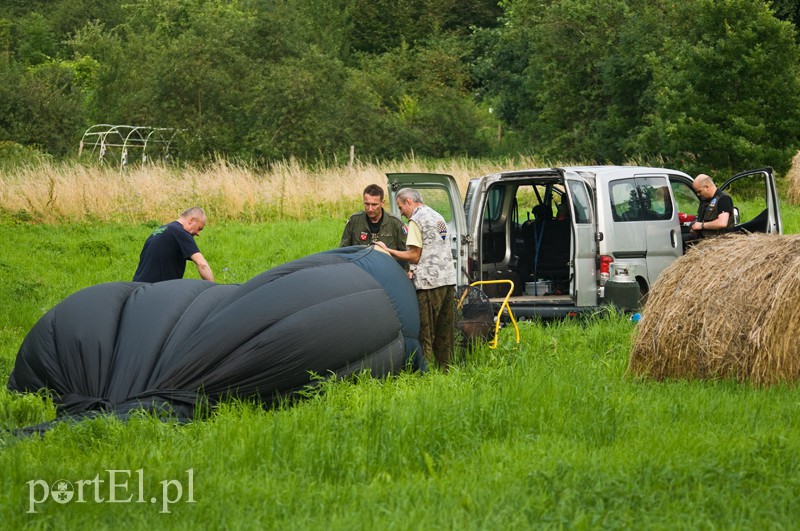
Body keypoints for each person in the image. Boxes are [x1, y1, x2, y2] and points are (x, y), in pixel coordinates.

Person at [375, 188, 457, 368]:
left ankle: (424, 371)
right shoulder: (437, 216)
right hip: (448, 280)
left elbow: (414, 255)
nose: (402, 214)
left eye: (401, 207)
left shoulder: (416, 220)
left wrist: (387, 251)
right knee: (445, 330)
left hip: (429, 283)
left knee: (425, 332)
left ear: (408, 202)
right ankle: (446, 369)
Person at [133, 206, 214, 283]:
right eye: (199, 228)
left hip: (138, 288)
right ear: (192, 220)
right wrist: (214, 290)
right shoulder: (180, 232)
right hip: (156, 290)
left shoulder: (160, 230)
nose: (198, 233)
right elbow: (202, 265)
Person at [340, 183, 407, 252]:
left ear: (382, 203)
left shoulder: (395, 223)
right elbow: (343, 250)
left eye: (374, 205)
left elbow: (406, 253)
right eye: (367, 204)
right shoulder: (354, 221)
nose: (370, 209)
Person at [688, 173, 734, 240]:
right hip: (703, 241)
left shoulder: (723, 199)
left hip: (720, 242)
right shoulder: (705, 201)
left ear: (707, 187)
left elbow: (722, 223)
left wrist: (702, 225)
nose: (698, 194)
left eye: (699, 191)